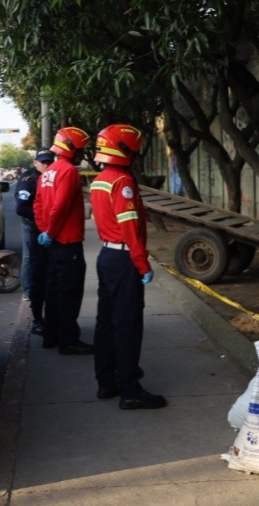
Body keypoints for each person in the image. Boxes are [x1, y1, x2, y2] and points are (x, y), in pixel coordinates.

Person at [89, 124, 166, 410]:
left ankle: (106, 382)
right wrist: (142, 263)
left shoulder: (99, 180)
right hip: (123, 260)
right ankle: (131, 390)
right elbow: (130, 229)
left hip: (107, 257)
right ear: (125, 149)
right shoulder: (121, 182)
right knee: (127, 325)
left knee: (106, 323)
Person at [33, 127, 94, 355]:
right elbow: (61, 206)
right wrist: (52, 231)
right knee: (69, 292)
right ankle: (69, 340)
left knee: (53, 288)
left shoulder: (48, 172)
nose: (82, 153)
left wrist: (45, 230)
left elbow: (38, 205)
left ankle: (51, 335)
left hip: (53, 241)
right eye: (80, 149)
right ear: (71, 148)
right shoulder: (68, 171)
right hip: (67, 241)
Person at [15, 148, 55, 335]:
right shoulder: (28, 181)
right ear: (35, 162)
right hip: (32, 225)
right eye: (42, 162)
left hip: (48, 227)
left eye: (49, 162)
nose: (46, 166)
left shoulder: (52, 177)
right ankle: (29, 292)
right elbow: (21, 208)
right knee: (31, 259)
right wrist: (41, 218)